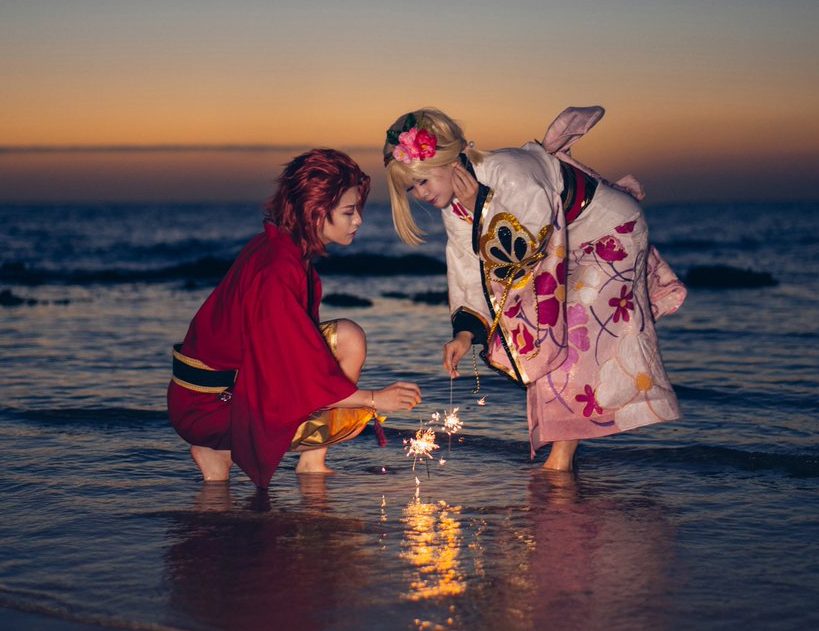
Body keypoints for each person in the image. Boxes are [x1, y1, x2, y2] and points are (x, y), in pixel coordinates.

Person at [382, 107, 686, 471]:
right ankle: (561, 455)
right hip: (569, 243)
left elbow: (532, 239)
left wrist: (482, 205)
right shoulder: (457, 207)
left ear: (449, 162)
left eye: (422, 182)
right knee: (553, 339)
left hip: (610, 232)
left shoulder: (510, 170)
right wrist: (465, 333)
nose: (420, 194)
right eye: (412, 188)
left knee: (571, 337)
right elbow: (466, 265)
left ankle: (561, 458)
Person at [168, 148, 421, 488]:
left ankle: (310, 461)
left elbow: (292, 350)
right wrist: (375, 398)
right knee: (352, 413)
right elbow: (296, 372)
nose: (359, 221)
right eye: (349, 212)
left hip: (216, 391)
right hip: (208, 407)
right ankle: (218, 443)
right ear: (315, 213)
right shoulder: (276, 269)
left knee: (348, 337)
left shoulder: (281, 249)